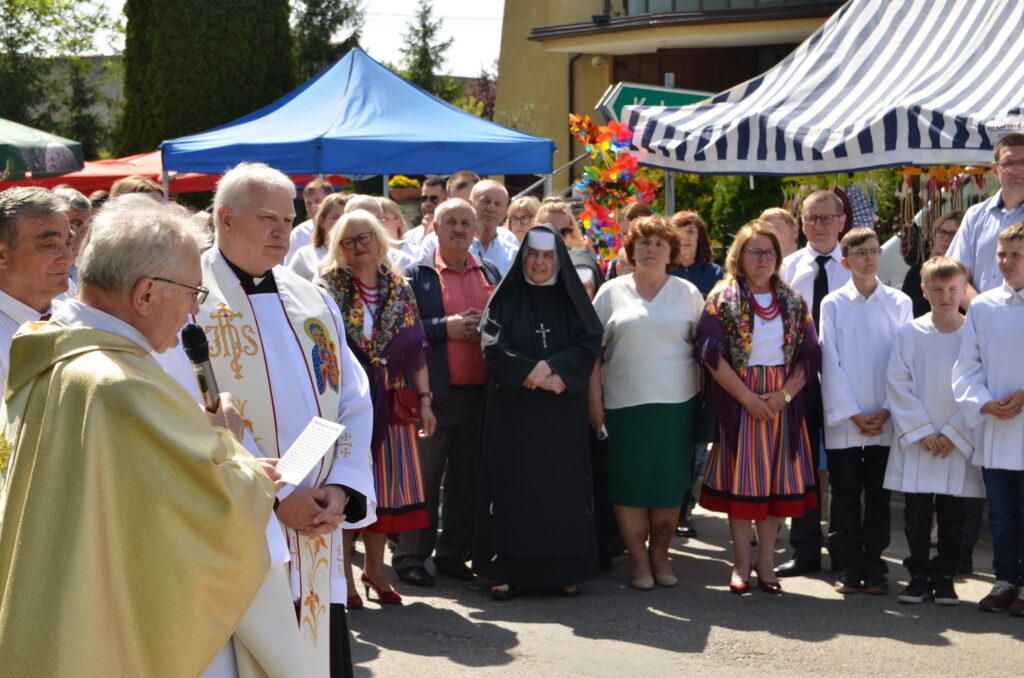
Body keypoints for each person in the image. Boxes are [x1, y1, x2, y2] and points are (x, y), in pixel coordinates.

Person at [0, 197, 285, 677]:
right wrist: (230, 445)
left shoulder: (61, 354)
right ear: (146, 294)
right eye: (194, 290)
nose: (196, 306)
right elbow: (218, 508)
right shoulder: (121, 386)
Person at [200, 162, 376, 678]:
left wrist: (342, 487)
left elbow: (352, 397)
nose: (283, 230)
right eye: (267, 219)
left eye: (288, 218)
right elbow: (193, 411)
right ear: (225, 219)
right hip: (243, 530)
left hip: (319, 525)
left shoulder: (313, 297)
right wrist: (277, 494)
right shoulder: (189, 300)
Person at [474, 226, 603, 599]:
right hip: (514, 414)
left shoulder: (571, 299)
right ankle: (507, 572)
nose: (540, 263)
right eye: (533, 255)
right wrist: (537, 375)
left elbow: (590, 339)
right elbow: (492, 345)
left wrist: (556, 369)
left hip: (561, 419)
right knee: (514, 490)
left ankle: (564, 570)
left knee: (559, 490)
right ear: (523, 257)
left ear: (557, 260)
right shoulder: (505, 298)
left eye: (548, 256)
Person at [318, 210, 436, 608]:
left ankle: (375, 570)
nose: (358, 247)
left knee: (383, 493)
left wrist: (425, 400)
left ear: (379, 238)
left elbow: (417, 348)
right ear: (337, 247)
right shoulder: (327, 286)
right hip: (346, 404)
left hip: (392, 400)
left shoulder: (398, 286)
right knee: (347, 487)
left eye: (364, 237)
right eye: (348, 241)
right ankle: (345, 579)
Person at [695, 220, 819, 595]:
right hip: (741, 401)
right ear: (740, 257)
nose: (763, 259)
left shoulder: (794, 301)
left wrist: (782, 396)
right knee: (743, 486)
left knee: (776, 489)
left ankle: (766, 564)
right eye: (755, 251)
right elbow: (711, 355)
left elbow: (810, 356)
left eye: (769, 252)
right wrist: (748, 398)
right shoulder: (721, 299)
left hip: (782, 403)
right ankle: (740, 564)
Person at [589, 215, 703, 590]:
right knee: (628, 487)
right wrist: (595, 404)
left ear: (671, 251)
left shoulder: (688, 293)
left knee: (669, 487)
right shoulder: (610, 292)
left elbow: (705, 353)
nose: (652, 249)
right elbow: (593, 355)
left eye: (659, 243)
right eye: (644, 243)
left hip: (676, 408)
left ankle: (661, 555)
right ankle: (638, 560)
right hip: (624, 407)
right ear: (631, 250)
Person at [393, 198, 501, 587]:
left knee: (466, 482)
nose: (459, 228)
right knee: (424, 480)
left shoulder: (490, 272)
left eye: (465, 222)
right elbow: (400, 333)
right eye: (450, 222)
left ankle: (455, 555)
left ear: (477, 230)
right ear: (435, 229)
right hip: (433, 397)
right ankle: (411, 557)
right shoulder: (414, 275)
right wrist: (446, 327)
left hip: (480, 395)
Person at [885, 256, 984, 606]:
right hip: (920, 442)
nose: (945, 296)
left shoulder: (973, 334)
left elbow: (977, 383)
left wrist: (954, 433)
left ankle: (945, 576)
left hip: (956, 442)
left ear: (963, 290)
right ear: (924, 291)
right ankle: (918, 575)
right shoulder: (911, 332)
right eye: (937, 289)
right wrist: (923, 430)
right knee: (916, 513)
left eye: (953, 289)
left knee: (953, 514)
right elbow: (898, 383)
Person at [820, 227, 912, 595]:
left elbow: (905, 361)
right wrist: (852, 412)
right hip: (847, 418)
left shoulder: (899, 302)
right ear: (845, 261)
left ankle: (875, 565)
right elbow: (829, 361)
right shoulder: (833, 304)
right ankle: (847, 565)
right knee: (844, 494)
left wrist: (888, 409)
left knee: (878, 495)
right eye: (860, 253)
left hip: (884, 416)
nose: (870, 257)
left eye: (874, 250)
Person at [776, 189, 852, 578]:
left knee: (842, 469)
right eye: (810, 219)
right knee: (802, 468)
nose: (818, 226)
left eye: (826, 218)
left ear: (842, 221)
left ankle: (842, 549)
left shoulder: (856, 265)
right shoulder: (787, 269)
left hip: (846, 381)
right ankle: (804, 549)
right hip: (800, 382)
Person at [953, 220, 1024, 616]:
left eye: (1015, 255)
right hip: (997, 426)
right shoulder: (982, 305)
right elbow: (967, 366)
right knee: (1000, 511)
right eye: (1002, 254)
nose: (1006, 262)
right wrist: (982, 401)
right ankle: (1005, 579)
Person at [667, 209, 723, 539]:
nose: (687, 239)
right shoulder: (663, 270)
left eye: (693, 233)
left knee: (698, 445)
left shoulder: (714, 273)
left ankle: (685, 507)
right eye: (681, 233)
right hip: (670, 365)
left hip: (704, 372)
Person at [0, 187, 73, 392]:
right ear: (2, 256)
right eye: (49, 245)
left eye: (68, 242)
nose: (68, 258)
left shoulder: (73, 318)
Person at [947, 133, 1024, 303]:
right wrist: (983, 312)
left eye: (1023, 162)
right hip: (980, 324)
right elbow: (956, 275)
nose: (1017, 169)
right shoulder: (975, 216)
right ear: (996, 170)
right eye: (1009, 163)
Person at [902, 211, 964, 317]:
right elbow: (902, 311)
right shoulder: (916, 273)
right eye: (941, 232)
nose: (945, 238)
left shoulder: (966, 275)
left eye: (952, 234)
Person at [538, 197, 604, 291]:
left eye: (565, 231)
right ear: (536, 228)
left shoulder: (579, 264)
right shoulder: (524, 260)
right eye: (551, 230)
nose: (558, 237)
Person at [287, 192, 347, 281]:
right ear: (322, 221)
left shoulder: (356, 255)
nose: (342, 222)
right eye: (335, 217)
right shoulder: (304, 256)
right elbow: (288, 287)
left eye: (346, 217)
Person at [285, 177, 334, 265]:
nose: (313, 207)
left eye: (318, 201)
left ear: (330, 201)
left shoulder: (343, 229)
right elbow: (288, 270)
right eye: (309, 203)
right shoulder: (298, 233)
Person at [52, 186, 92, 286]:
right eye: (77, 224)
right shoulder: (39, 273)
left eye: (86, 226)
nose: (83, 233)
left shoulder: (87, 275)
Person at [607, 202, 653, 280]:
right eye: (624, 233)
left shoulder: (667, 263)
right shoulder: (617, 263)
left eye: (634, 233)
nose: (629, 239)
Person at [402, 176, 446, 257]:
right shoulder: (410, 236)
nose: (427, 203)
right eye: (424, 198)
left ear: (445, 200)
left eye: (434, 199)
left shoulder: (452, 232)